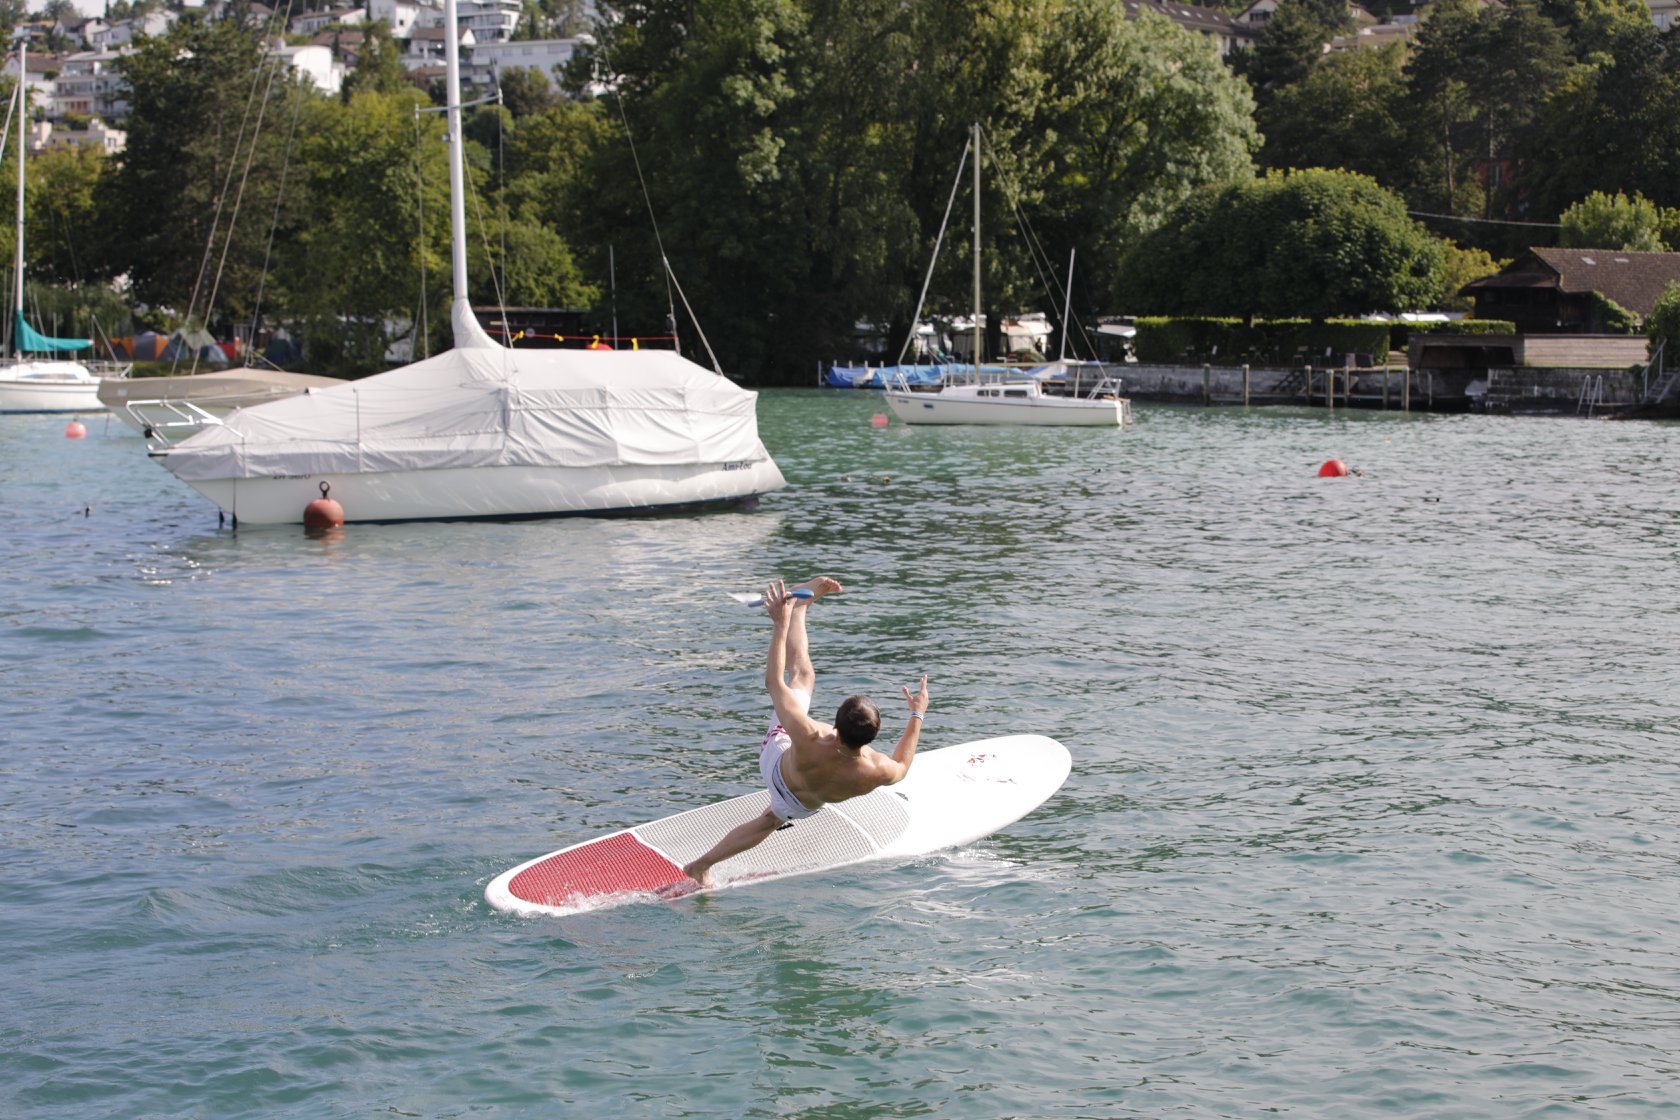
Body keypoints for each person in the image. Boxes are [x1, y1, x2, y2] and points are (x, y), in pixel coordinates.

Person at [666, 576, 930, 893]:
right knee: (770, 820)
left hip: (775, 762)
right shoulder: (877, 770)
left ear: (835, 724)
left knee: (802, 676)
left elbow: (774, 682)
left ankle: (799, 608)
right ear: (877, 733)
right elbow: (903, 765)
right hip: (798, 805)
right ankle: (700, 866)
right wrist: (917, 713)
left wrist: (780, 623)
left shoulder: (809, 734)